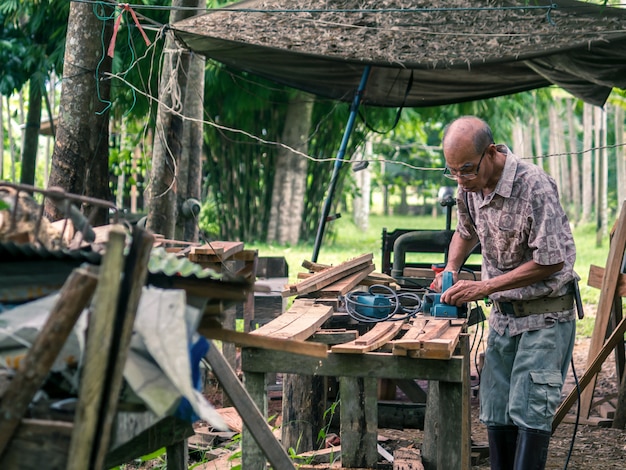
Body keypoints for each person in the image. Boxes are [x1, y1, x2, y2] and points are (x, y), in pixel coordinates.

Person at [432, 116, 578, 470]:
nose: (461, 180)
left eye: (466, 169)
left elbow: (551, 261)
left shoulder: (534, 187)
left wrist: (483, 287)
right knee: (496, 410)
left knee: (531, 411)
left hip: (544, 316)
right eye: (452, 172)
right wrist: (451, 269)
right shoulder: (468, 190)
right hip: (503, 319)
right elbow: (466, 233)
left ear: (492, 152)